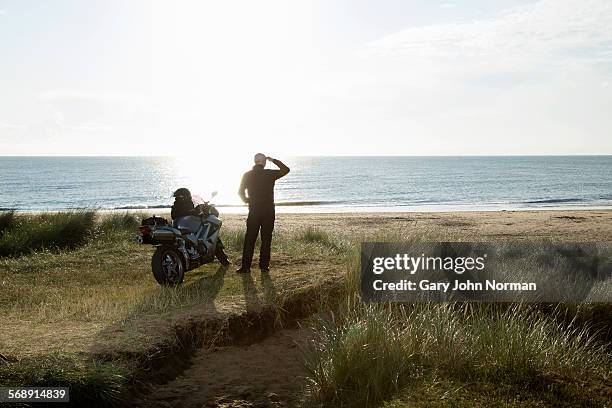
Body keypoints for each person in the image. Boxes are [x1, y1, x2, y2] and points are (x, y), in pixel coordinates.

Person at [236, 153, 290, 273]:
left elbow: (240, 192)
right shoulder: (269, 174)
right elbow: (286, 170)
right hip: (268, 211)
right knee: (266, 240)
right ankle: (264, 266)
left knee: (250, 239)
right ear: (264, 161)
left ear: (255, 161)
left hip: (254, 211)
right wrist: (273, 160)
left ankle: (245, 267)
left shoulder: (247, 175)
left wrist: (248, 201)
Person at [171, 187, 230, 266]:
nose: (176, 199)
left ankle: (221, 259)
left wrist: (198, 210)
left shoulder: (176, 206)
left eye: (178, 197)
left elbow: (178, 215)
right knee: (212, 236)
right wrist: (199, 212)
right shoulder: (185, 205)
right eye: (176, 198)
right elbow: (193, 213)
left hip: (181, 228)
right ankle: (224, 260)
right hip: (188, 228)